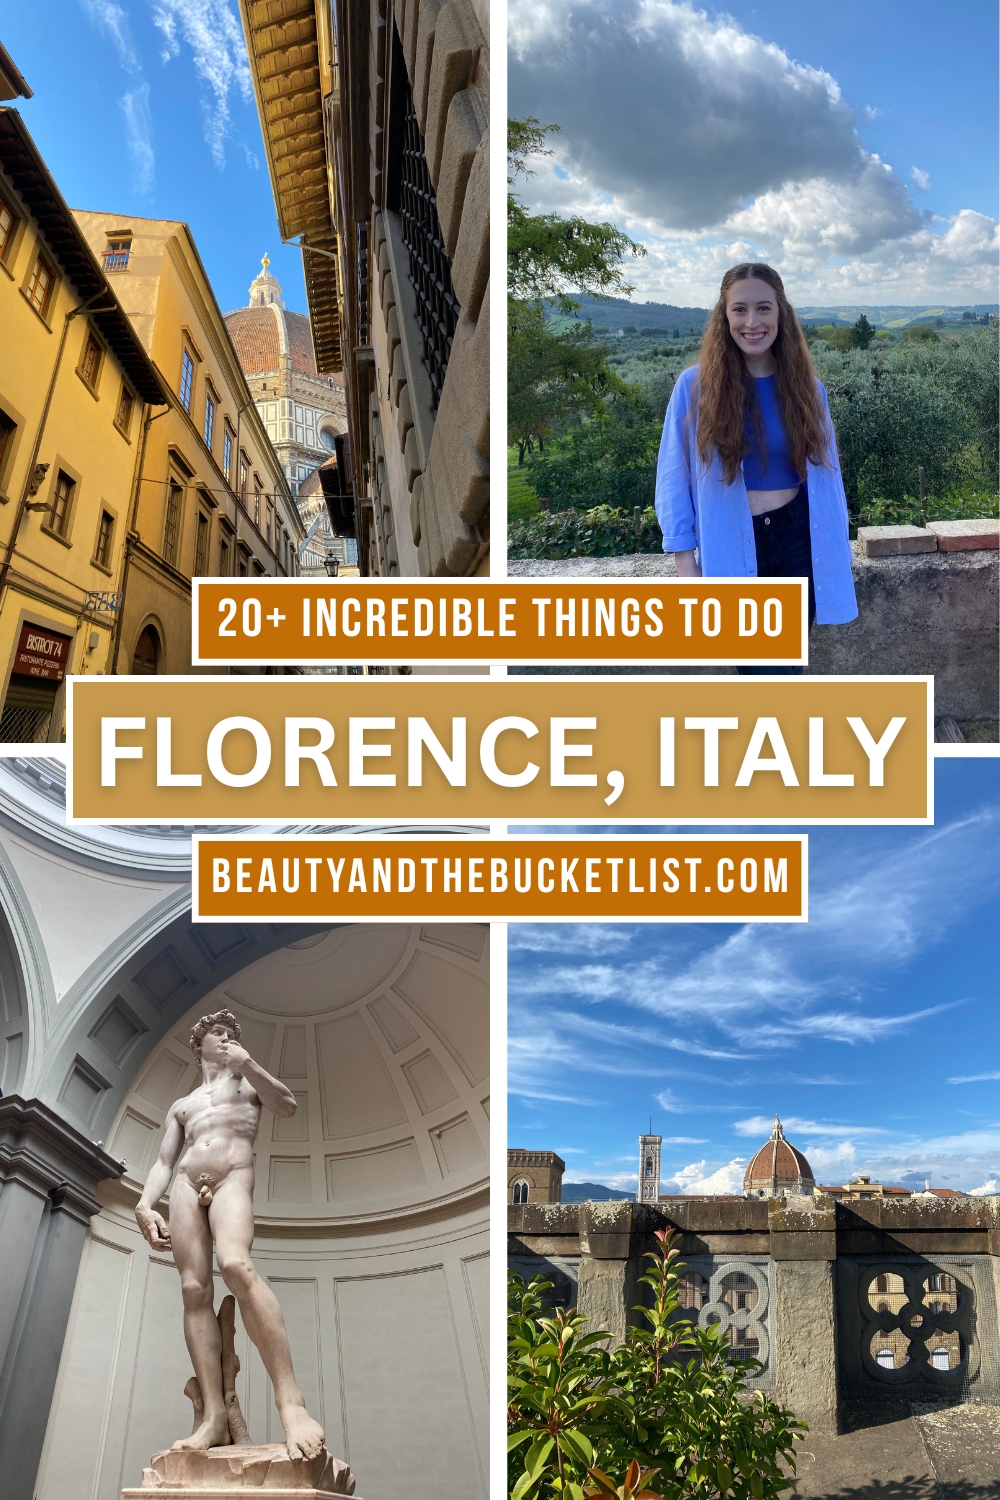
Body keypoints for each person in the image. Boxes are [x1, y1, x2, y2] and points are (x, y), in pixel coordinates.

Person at [135, 1009, 325, 1461]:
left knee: (236, 1265)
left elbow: (287, 1105)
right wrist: (144, 1205)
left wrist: (249, 1065)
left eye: (230, 1034)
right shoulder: (183, 1105)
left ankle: (291, 1405)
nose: (224, 1039)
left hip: (232, 1175)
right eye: (216, 1033)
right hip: (184, 1184)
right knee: (193, 1288)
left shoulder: (246, 1083)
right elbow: (164, 1162)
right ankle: (214, 1417)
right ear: (198, 1044)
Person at [655, 262, 857, 674]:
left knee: (784, 667)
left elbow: (828, 476)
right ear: (724, 316)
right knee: (755, 669)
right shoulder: (693, 388)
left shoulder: (807, 389)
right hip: (731, 541)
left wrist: (836, 546)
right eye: (740, 309)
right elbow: (672, 477)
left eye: (764, 308)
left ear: (781, 314)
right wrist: (684, 562)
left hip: (799, 537)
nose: (752, 322)